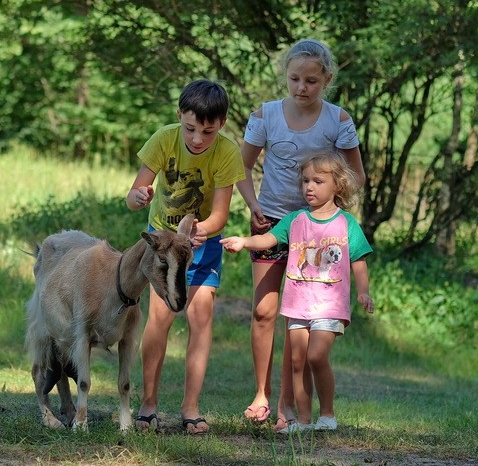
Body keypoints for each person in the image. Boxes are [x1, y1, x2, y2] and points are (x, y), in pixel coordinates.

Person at [234, 38, 366, 430]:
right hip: (271, 221)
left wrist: (331, 210)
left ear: (326, 79)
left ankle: (287, 406)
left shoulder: (338, 122)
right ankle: (260, 394)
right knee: (263, 311)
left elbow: (356, 175)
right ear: (285, 77)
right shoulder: (265, 115)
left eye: (311, 81)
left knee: (298, 318)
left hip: (316, 234)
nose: (301, 88)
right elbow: (241, 168)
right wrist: (253, 205)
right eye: (294, 79)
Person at [221, 152, 373, 433]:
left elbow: (359, 260)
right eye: (305, 181)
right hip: (298, 304)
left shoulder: (346, 223)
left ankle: (327, 415)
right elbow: (269, 238)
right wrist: (244, 241)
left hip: (329, 305)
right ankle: (303, 421)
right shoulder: (295, 220)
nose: (309, 187)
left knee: (315, 356)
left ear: (337, 185)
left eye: (318, 181)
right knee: (296, 360)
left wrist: (363, 292)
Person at [126, 79, 246, 435]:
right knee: (160, 319)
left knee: (200, 318)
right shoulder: (164, 139)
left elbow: (220, 215)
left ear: (221, 124)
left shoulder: (226, 152)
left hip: (202, 244)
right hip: (163, 244)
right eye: (190, 128)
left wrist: (202, 230)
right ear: (180, 116)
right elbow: (134, 192)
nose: (197, 139)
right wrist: (138, 197)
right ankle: (148, 403)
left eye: (207, 132)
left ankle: (190, 407)